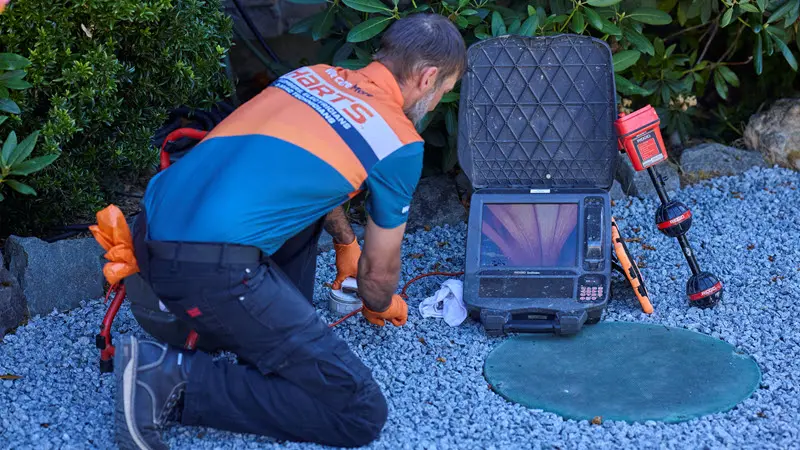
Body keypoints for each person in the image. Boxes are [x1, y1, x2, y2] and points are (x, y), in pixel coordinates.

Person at [115, 13, 467, 450]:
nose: (434, 104)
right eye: (442, 91)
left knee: (296, 210)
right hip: (202, 271)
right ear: (428, 77)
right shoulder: (399, 141)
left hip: (148, 234)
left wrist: (345, 240)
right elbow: (377, 279)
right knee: (359, 412)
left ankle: (272, 337)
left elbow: (305, 176)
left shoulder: (310, 77)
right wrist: (383, 303)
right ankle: (166, 376)